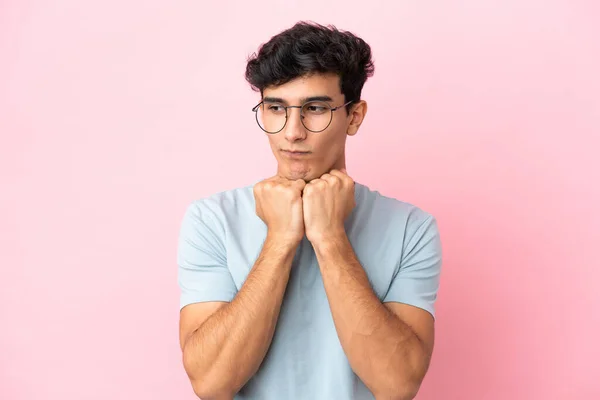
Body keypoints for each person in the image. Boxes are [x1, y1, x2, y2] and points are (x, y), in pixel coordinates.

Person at [177, 21, 442, 400]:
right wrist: (281, 239)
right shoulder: (211, 220)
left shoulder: (410, 228)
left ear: (354, 116)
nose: (292, 132)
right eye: (275, 108)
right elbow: (211, 384)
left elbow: (397, 385)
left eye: (315, 108)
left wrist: (330, 238)